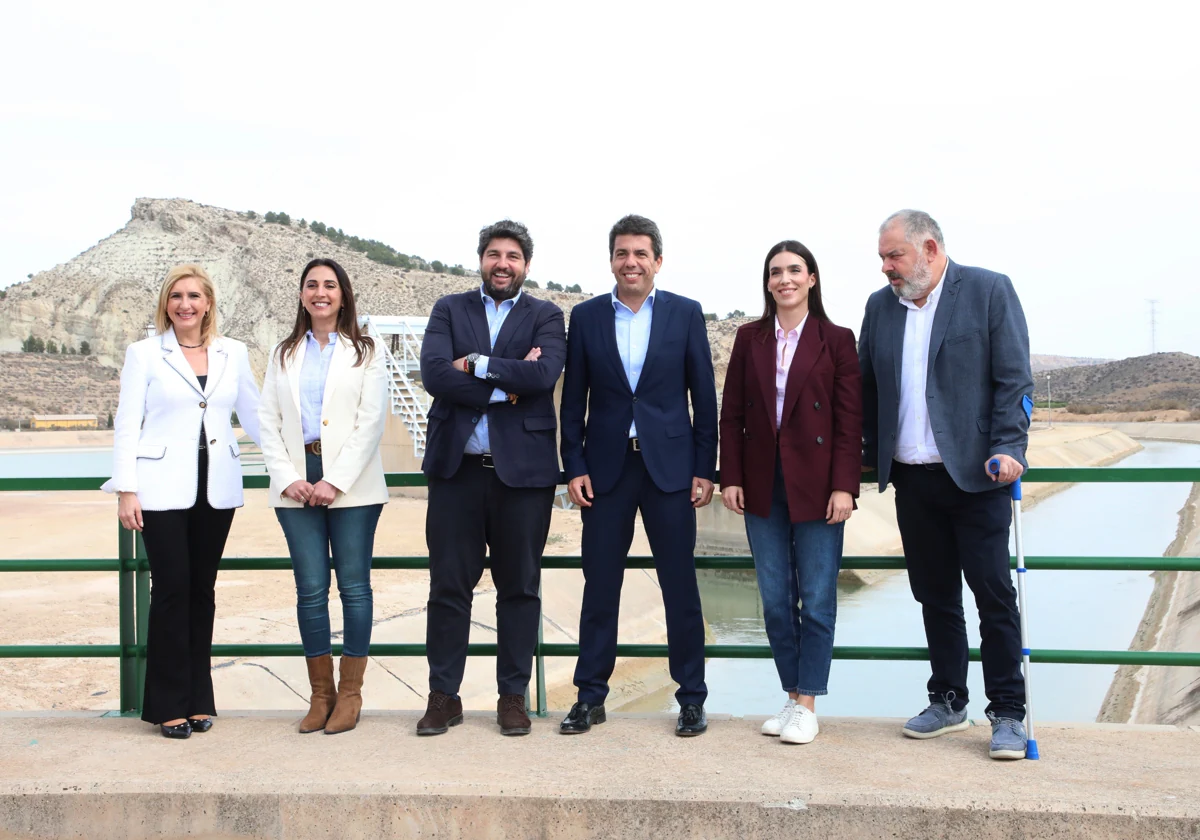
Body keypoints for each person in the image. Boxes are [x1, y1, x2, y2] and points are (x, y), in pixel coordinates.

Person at [859, 210, 1034, 760]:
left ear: (929, 249)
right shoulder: (880, 307)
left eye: (895, 256)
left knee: (993, 595)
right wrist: (862, 457)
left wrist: (1010, 447)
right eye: (884, 257)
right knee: (934, 596)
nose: (886, 267)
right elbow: (866, 389)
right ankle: (948, 700)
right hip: (911, 478)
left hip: (977, 477)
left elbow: (1014, 380)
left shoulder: (986, 291)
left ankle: (1007, 712)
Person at [559, 214, 718, 737]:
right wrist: (574, 466)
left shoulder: (685, 314)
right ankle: (590, 696)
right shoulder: (583, 318)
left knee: (680, 588)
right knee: (600, 586)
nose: (632, 262)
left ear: (658, 261)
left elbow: (704, 399)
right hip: (605, 471)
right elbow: (572, 402)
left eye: (641, 254)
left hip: (670, 471)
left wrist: (704, 468)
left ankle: (691, 698)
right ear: (611, 260)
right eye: (622, 253)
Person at [417, 220, 566, 737]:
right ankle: (444, 696)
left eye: (513, 256)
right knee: (448, 587)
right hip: (457, 472)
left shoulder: (547, 315)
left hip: (523, 478)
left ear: (526, 265)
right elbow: (434, 373)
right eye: (494, 254)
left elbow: (544, 377)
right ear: (480, 259)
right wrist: (507, 383)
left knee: (519, 588)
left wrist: (476, 365)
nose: (502, 263)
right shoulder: (449, 308)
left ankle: (513, 698)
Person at [103, 264, 261, 739]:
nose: (185, 304)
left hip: (217, 486)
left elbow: (255, 416)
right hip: (160, 487)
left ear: (209, 302)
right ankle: (167, 705)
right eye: (176, 296)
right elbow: (127, 423)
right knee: (171, 590)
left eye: (194, 295)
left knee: (202, 592)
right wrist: (126, 488)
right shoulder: (144, 354)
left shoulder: (233, 353)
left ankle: (198, 699)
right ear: (166, 304)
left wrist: (293, 465)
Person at [719, 240, 862, 745]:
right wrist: (729, 476)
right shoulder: (749, 337)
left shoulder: (837, 339)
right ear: (767, 282)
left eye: (794, 270)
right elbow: (732, 413)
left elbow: (849, 423)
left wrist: (846, 485)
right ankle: (791, 696)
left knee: (818, 598)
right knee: (776, 600)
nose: (785, 279)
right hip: (761, 483)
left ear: (812, 278)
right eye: (776, 271)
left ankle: (808, 704)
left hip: (819, 485)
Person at [258, 258, 388, 735]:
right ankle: (320, 696)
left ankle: (350, 696)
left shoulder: (366, 352)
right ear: (301, 295)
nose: (320, 293)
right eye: (311, 285)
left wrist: (335, 480)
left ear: (343, 294)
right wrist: (288, 476)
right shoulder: (282, 354)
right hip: (296, 483)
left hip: (351, 484)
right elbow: (267, 421)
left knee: (354, 588)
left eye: (329, 285)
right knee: (310, 590)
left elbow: (371, 422)